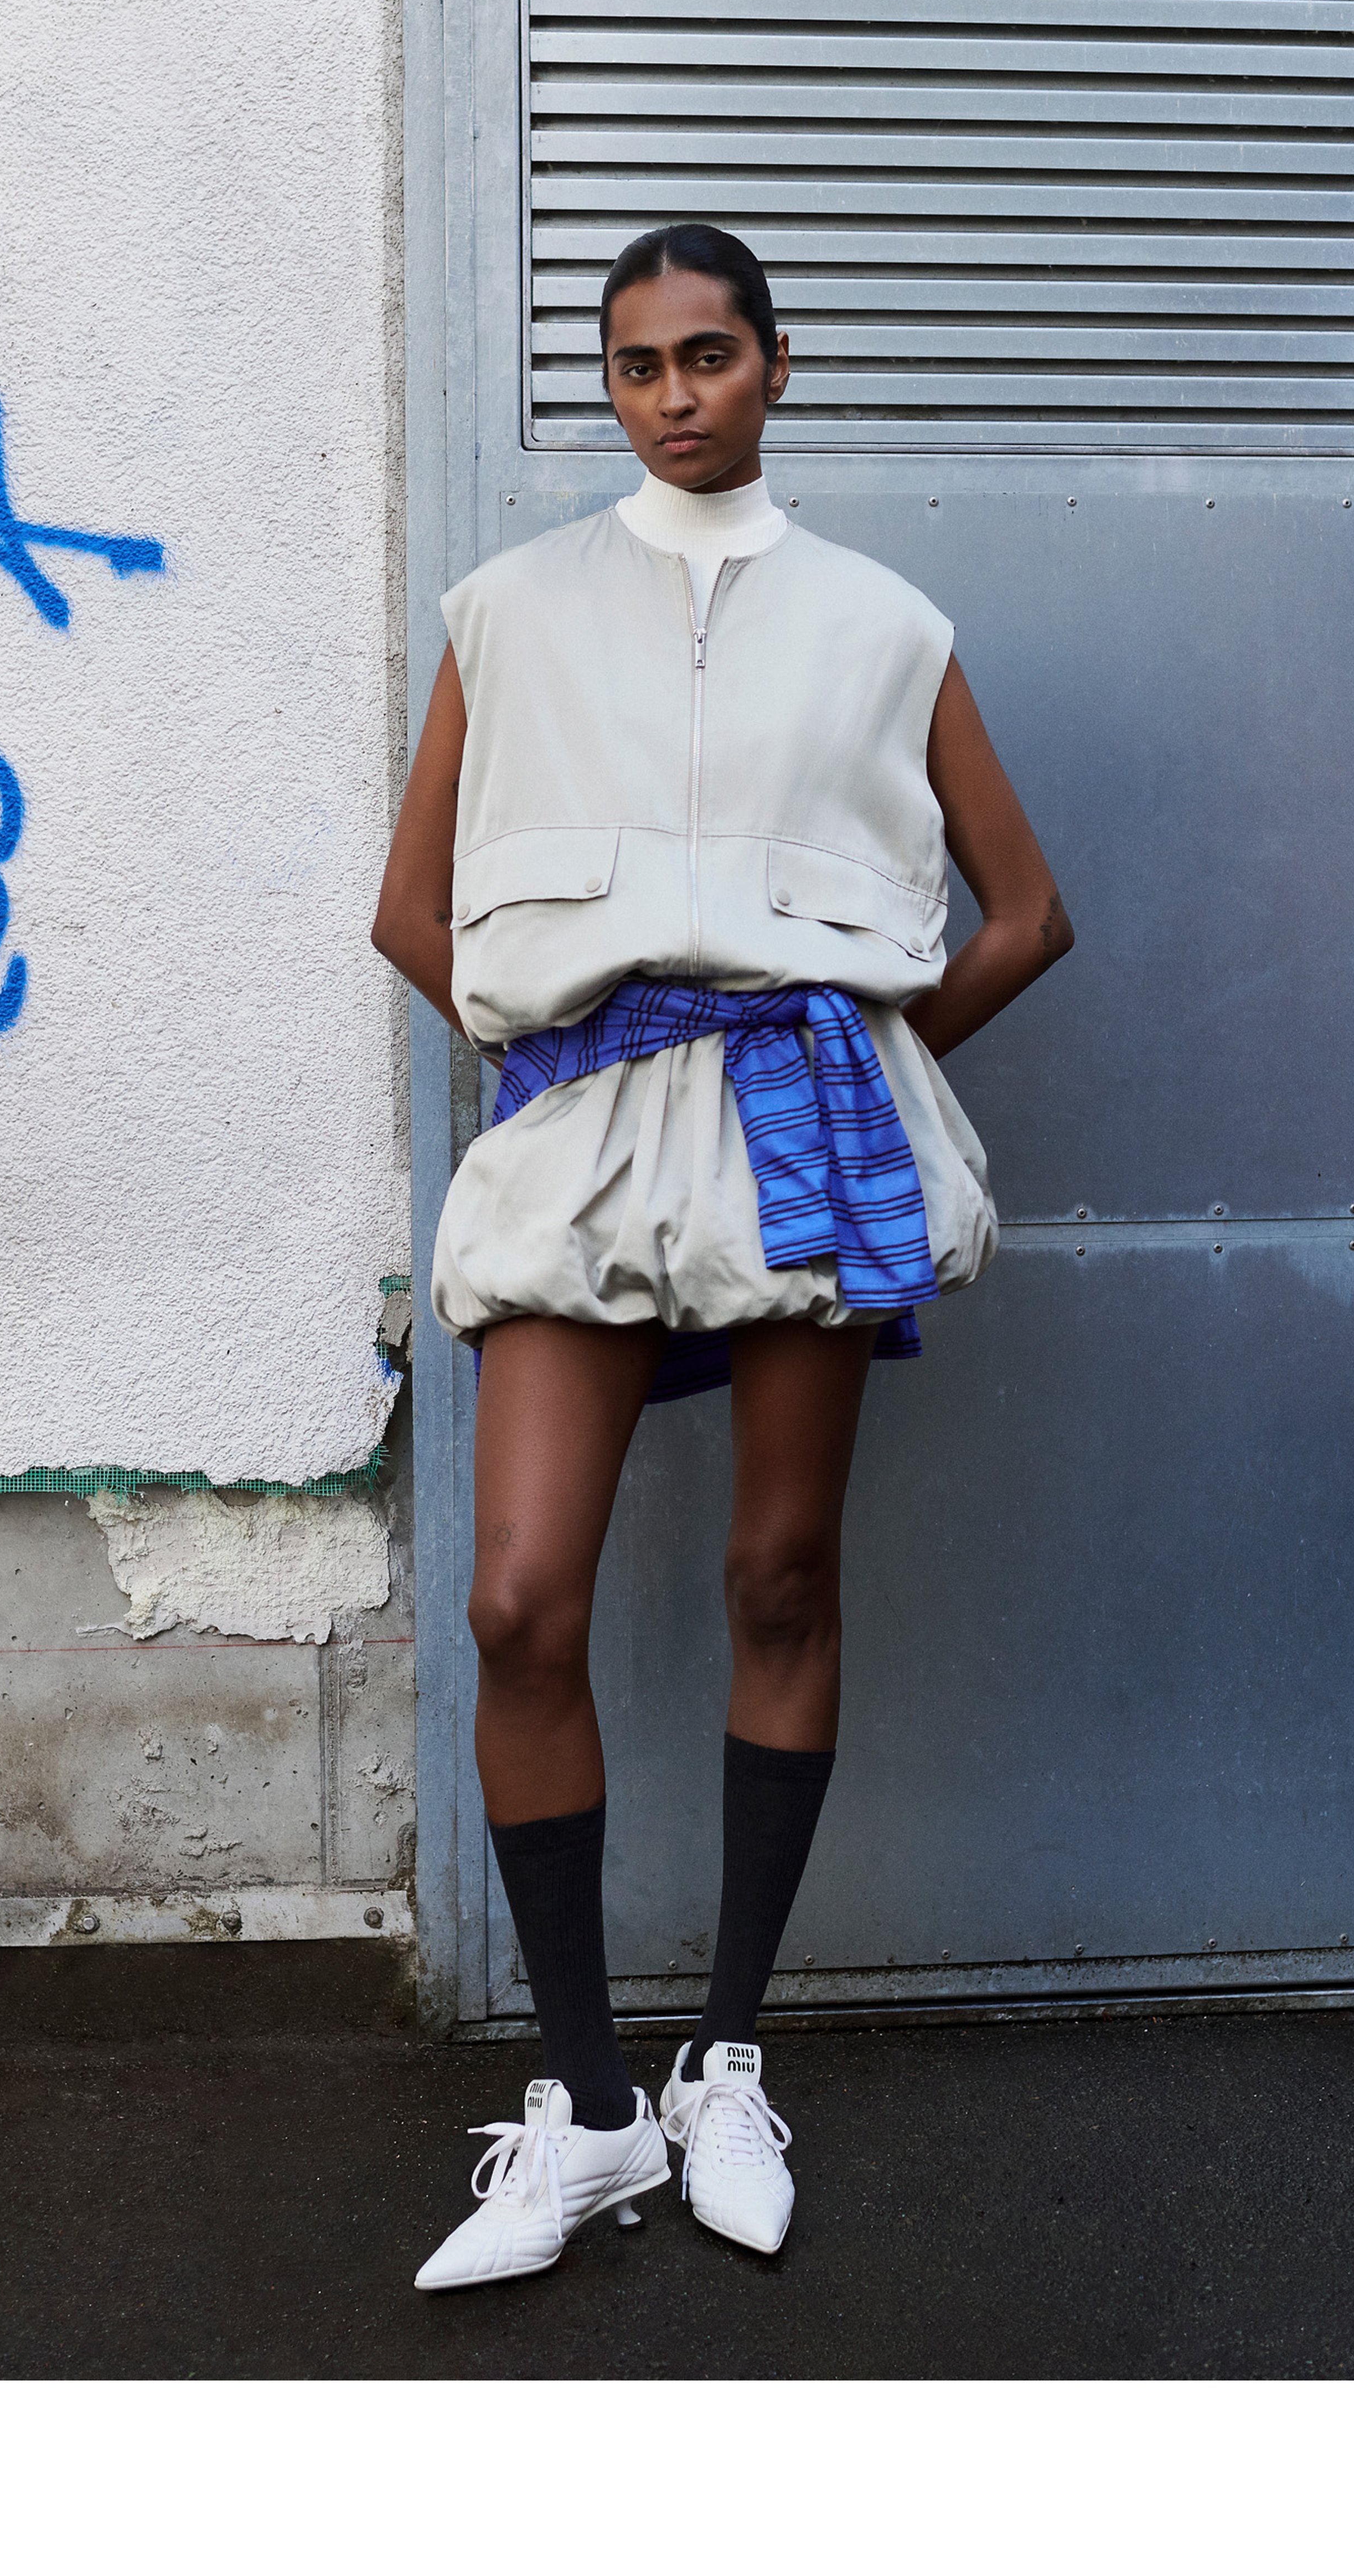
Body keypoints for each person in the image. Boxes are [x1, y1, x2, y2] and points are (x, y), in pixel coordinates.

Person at [371, 223, 1073, 2291]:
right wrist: (580, 1067)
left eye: (708, 355)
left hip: (799, 1145)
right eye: (635, 364)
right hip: (585, 1141)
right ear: (608, 386)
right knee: (521, 1600)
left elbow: (1021, 910)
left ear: (776, 367)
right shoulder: (506, 613)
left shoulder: (882, 623)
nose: (672, 394)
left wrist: (852, 1072)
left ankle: (725, 2056)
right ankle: (586, 2115)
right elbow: (413, 911)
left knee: (782, 1570)